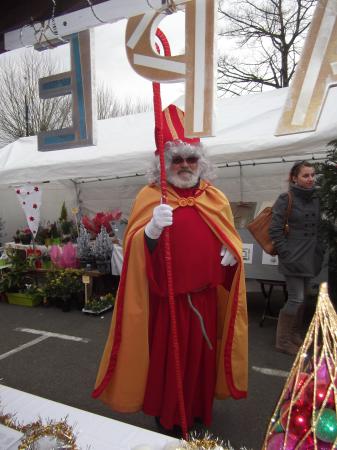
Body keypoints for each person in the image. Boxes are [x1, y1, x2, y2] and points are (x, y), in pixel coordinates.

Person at [92, 105, 248, 435]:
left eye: (191, 159)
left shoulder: (215, 197)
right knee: (171, 363)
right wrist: (148, 232)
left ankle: (196, 412)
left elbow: (228, 236)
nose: (184, 166)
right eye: (176, 159)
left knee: (200, 364)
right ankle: (169, 417)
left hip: (205, 301)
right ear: (164, 163)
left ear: (200, 162)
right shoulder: (150, 197)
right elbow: (134, 248)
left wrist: (232, 252)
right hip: (169, 304)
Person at [269, 160, 325, 355]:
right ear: (295, 178)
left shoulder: (317, 198)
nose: (310, 179)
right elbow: (274, 229)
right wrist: (286, 253)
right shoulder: (286, 198)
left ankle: (294, 335)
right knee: (296, 298)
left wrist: (319, 250)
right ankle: (282, 341)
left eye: (312, 175)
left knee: (303, 299)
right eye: (305, 175)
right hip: (293, 256)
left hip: (310, 256)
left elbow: (319, 227)